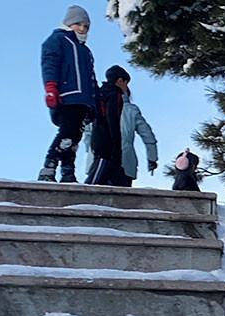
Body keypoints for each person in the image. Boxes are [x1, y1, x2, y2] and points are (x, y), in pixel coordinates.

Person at [39, 5, 97, 183]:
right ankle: (49, 167)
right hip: (67, 96)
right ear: (68, 24)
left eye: (86, 26)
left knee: (74, 137)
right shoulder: (58, 40)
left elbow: (91, 77)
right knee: (67, 133)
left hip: (83, 99)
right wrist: (51, 87)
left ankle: (68, 171)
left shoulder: (85, 51)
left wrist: (95, 99)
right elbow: (50, 63)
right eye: (78, 24)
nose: (82, 29)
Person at [81, 66, 156, 187]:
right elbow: (148, 136)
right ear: (121, 81)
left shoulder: (96, 102)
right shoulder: (131, 110)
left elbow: (87, 133)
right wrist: (152, 158)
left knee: (94, 196)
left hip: (96, 160)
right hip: (124, 162)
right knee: (122, 200)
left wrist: (90, 150)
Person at [85, 66, 128, 186]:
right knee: (101, 166)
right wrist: (115, 142)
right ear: (120, 81)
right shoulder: (115, 93)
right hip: (107, 139)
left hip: (97, 134)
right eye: (126, 83)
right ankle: (83, 196)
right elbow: (112, 118)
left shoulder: (100, 92)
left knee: (116, 174)